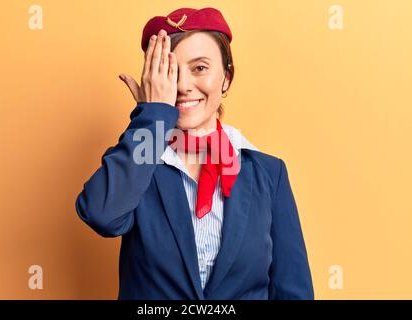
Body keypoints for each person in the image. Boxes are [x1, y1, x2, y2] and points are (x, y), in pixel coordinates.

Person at [75, 7, 314, 300]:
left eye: (199, 68)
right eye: (170, 72)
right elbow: (101, 214)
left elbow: (293, 291)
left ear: (226, 77)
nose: (183, 86)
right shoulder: (140, 160)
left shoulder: (269, 173)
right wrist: (150, 118)